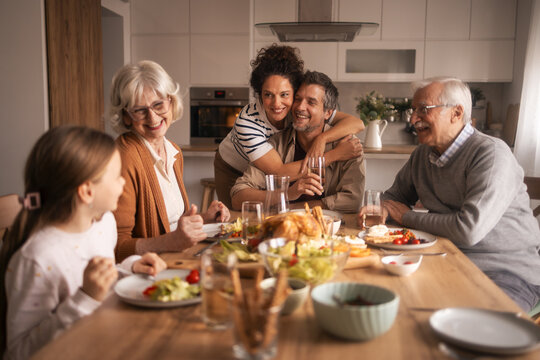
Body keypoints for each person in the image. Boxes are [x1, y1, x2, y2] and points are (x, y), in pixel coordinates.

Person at [358, 77, 540, 311]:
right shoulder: (422, 155)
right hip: (445, 258)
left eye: (423, 109)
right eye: (413, 111)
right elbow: (393, 198)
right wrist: (381, 208)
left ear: (456, 113)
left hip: (504, 272)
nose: (413, 119)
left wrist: (407, 217)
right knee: (384, 297)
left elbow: (468, 230)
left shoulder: (491, 155)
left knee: (476, 333)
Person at [0, 126, 167, 359]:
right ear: (87, 191)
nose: (123, 183)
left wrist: (129, 268)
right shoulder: (37, 259)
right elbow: (20, 352)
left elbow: (95, 284)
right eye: (117, 176)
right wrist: (84, 298)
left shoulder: (103, 224)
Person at [215, 44, 364, 208]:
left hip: (269, 170)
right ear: (260, 93)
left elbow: (357, 123)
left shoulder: (300, 111)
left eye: (285, 94)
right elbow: (277, 172)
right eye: (268, 95)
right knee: (234, 216)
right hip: (233, 165)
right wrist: (333, 156)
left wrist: (322, 139)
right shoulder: (251, 124)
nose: (277, 103)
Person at [109, 60, 230, 261]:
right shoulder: (124, 157)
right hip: (146, 273)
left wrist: (204, 218)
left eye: (158, 105)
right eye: (140, 110)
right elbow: (116, 246)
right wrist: (170, 242)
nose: (153, 117)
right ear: (126, 116)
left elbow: (169, 225)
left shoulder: (173, 151)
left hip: (175, 260)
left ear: (171, 102)